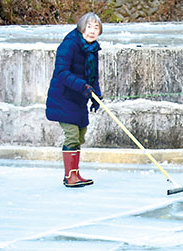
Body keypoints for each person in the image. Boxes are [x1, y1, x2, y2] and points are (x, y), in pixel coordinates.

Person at [45, 12, 103, 188]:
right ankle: (69, 177)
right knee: (72, 136)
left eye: (96, 28)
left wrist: (96, 95)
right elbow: (61, 72)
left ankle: (75, 174)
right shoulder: (69, 45)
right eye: (89, 27)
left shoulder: (92, 49)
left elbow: (93, 76)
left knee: (80, 135)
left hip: (79, 99)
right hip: (63, 97)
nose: (92, 31)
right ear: (81, 28)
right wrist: (83, 86)